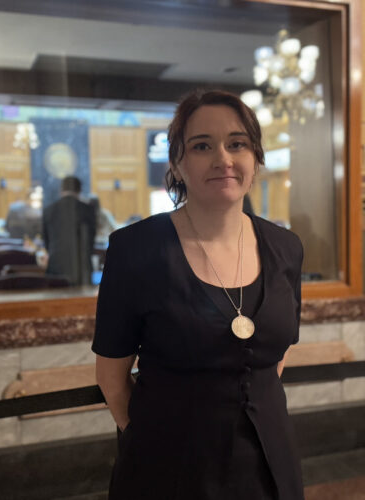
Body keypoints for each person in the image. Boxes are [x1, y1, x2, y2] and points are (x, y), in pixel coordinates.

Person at [92, 89, 304, 499]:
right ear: (177, 162)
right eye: (202, 146)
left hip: (269, 463)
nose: (223, 158)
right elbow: (111, 377)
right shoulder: (135, 249)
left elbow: (275, 358)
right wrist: (150, 441)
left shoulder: (286, 247)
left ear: (255, 158)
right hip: (169, 468)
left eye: (237, 144)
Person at [42, 176, 96, 286]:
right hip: (83, 269)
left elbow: (46, 242)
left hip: (55, 268)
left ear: (61, 190)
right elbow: (91, 241)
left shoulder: (48, 210)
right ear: (79, 190)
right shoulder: (88, 210)